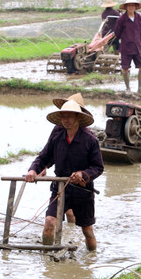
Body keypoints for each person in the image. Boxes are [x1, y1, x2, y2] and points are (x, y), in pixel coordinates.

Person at [25, 100, 104, 251]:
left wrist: (84, 174)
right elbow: (44, 157)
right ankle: (47, 256)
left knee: (87, 230)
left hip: (83, 191)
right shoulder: (57, 137)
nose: (66, 120)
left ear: (78, 118)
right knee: (49, 222)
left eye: (69, 117)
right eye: (63, 117)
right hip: (60, 189)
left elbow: (98, 167)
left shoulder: (90, 140)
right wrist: (33, 170)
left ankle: (91, 259)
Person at [112, 0, 141, 93]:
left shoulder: (139, 17)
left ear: (136, 6)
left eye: (133, 5)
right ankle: (128, 88)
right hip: (126, 47)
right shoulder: (121, 19)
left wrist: (140, 43)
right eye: (129, 5)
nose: (131, 7)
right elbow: (117, 33)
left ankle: (140, 88)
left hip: (137, 47)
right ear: (126, 7)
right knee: (125, 68)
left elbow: (139, 31)